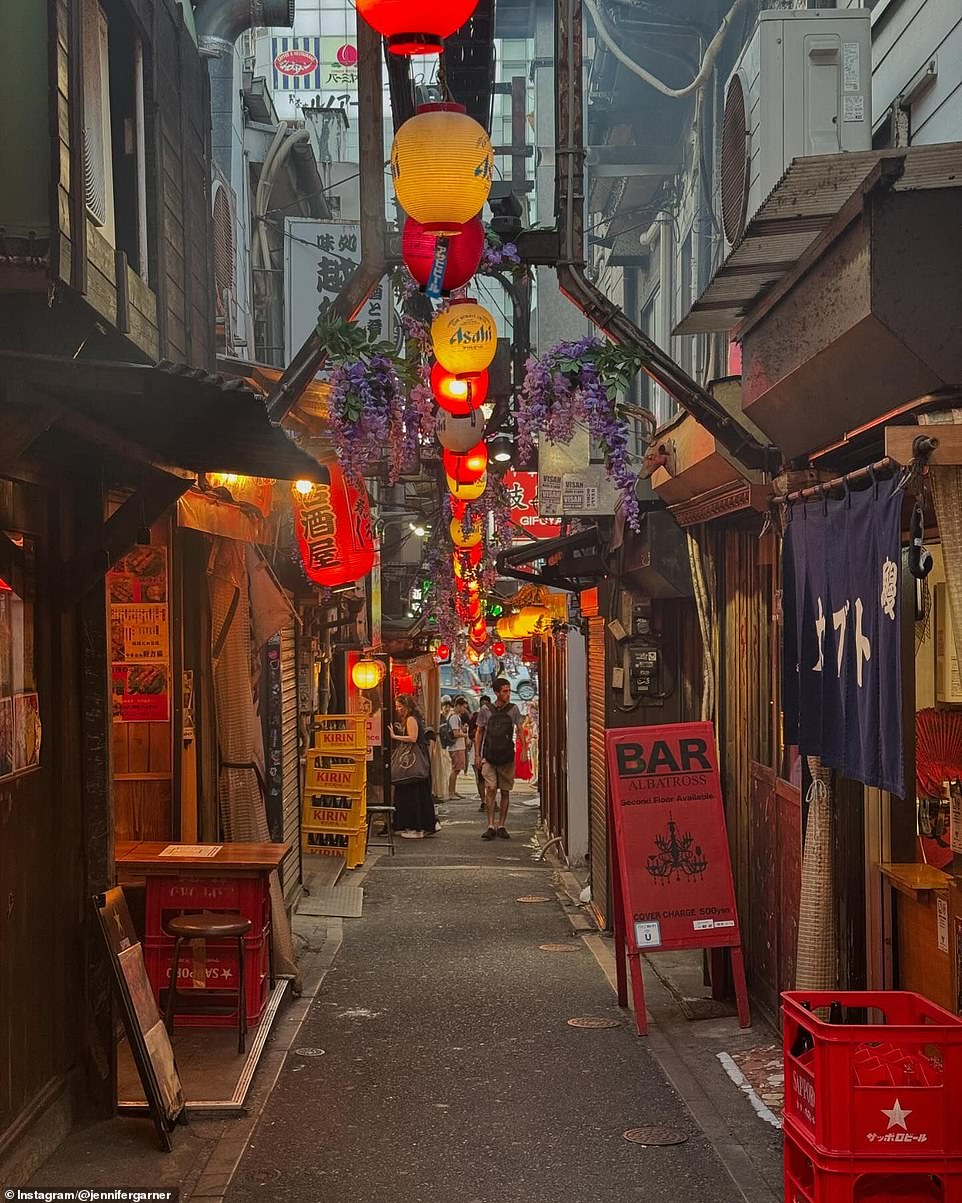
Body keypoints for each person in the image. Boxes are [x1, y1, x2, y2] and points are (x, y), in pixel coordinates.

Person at [475, 678, 523, 841]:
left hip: (507, 757)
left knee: (505, 791)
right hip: (489, 756)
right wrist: (477, 754)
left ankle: (501, 825)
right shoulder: (485, 710)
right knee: (491, 788)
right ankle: (490, 824)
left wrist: (523, 749)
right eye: (504, 691)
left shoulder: (514, 709)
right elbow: (479, 732)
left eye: (509, 691)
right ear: (496, 693)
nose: (508, 694)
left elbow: (520, 728)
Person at [389, 694, 438, 839]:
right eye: (397, 707)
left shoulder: (410, 719)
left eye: (400, 707)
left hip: (413, 761)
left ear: (407, 706)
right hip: (418, 759)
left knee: (413, 794)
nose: (398, 710)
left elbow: (413, 738)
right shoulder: (414, 718)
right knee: (420, 794)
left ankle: (416, 827)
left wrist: (395, 736)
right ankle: (427, 824)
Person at [446, 696, 469, 800]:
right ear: (458, 706)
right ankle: (451, 792)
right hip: (456, 747)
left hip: (458, 746)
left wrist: (462, 730)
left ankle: (453, 790)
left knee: (457, 769)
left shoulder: (456, 717)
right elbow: (455, 733)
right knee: (455, 769)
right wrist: (466, 735)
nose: (464, 710)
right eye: (463, 707)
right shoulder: (454, 717)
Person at [472, 694, 491, 811]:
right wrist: (476, 754)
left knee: (490, 778)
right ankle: (483, 800)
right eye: (482, 704)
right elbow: (473, 733)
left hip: (490, 751)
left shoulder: (493, 716)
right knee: (480, 778)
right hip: (479, 750)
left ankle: (490, 800)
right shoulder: (475, 717)